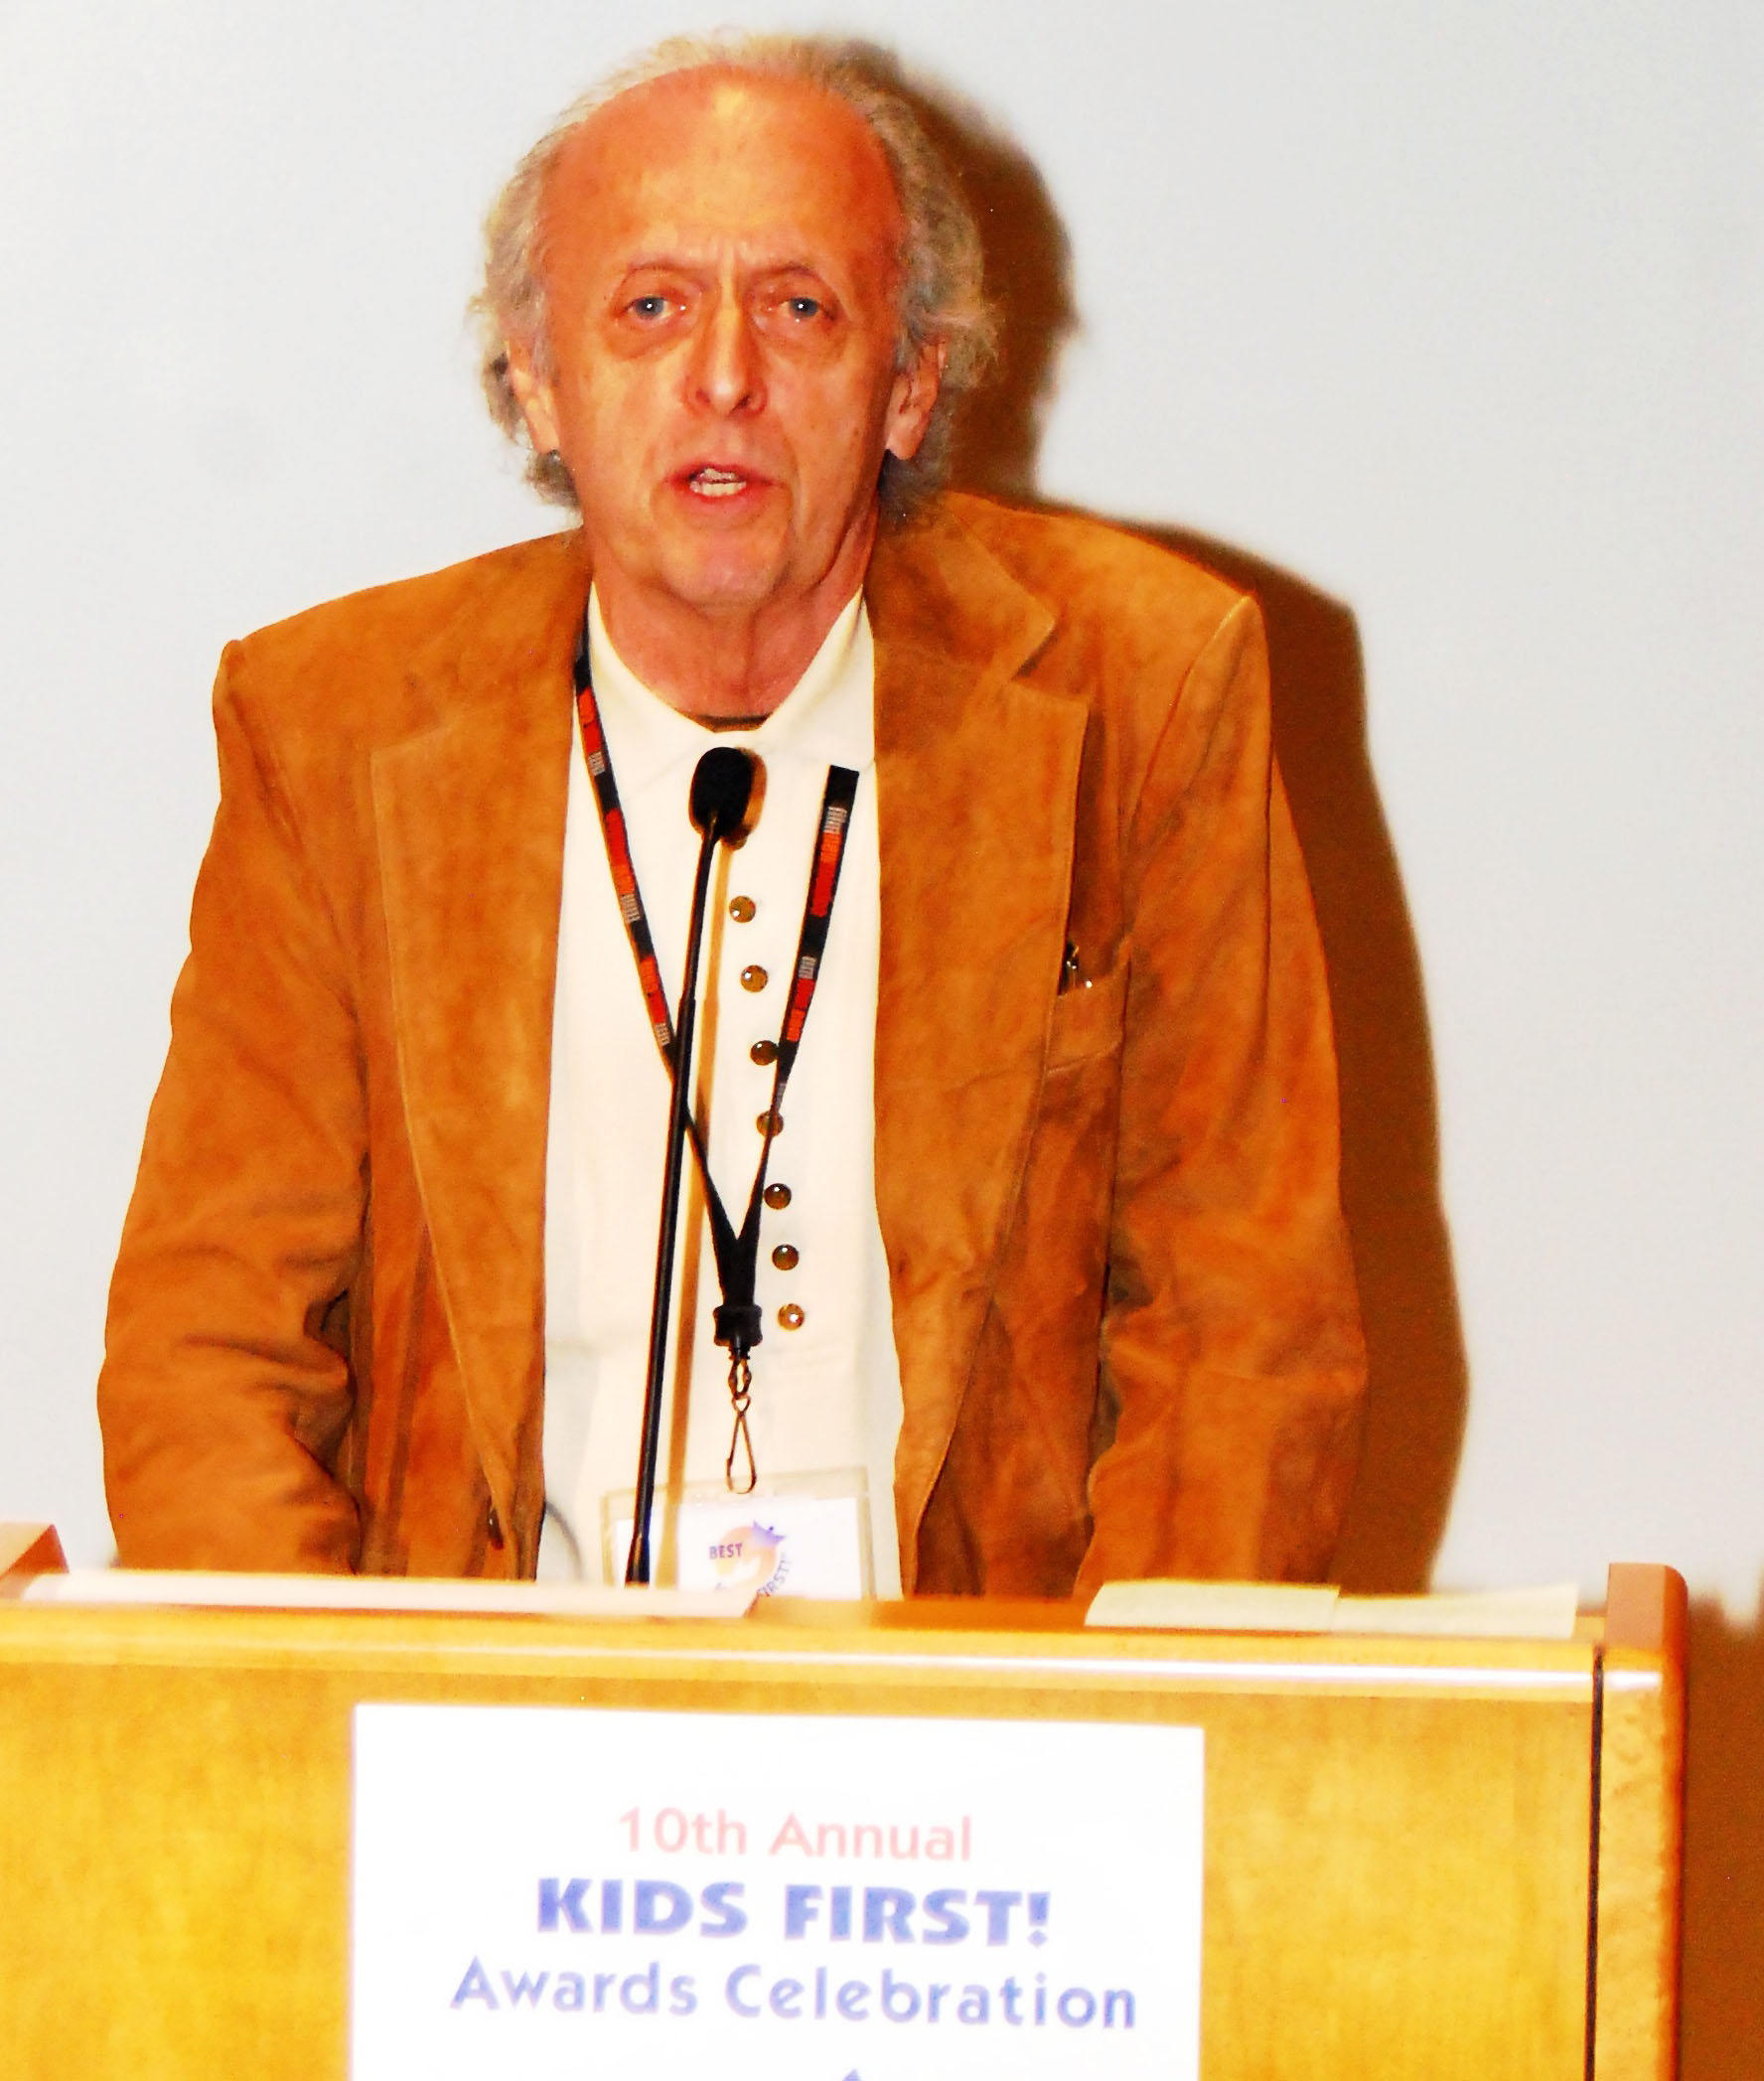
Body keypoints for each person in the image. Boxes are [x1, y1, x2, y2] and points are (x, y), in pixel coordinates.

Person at [97, 34, 1366, 1597]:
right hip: (493, 1703)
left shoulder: (1145, 691)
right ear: (537, 380)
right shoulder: (333, 727)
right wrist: (319, 1725)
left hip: (976, 1713)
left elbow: (1244, 1335)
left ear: (910, 384)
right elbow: (212, 1347)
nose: (722, 378)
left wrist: (1107, 1727)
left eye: (798, 306)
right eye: (649, 306)